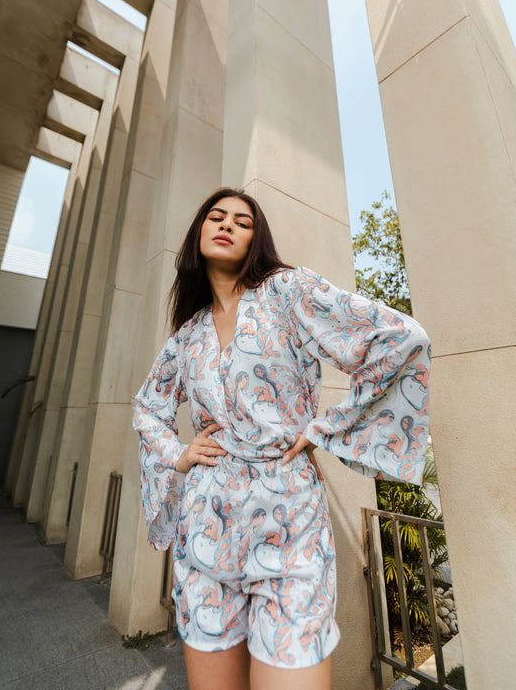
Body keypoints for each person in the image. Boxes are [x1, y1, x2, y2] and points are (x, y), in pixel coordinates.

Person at [133, 187, 431, 690]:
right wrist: (177, 455)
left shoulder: (288, 291)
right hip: (207, 525)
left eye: (243, 221)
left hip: (289, 522)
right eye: (216, 216)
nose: (227, 224)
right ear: (199, 232)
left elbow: (400, 339)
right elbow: (147, 407)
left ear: (257, 239)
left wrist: (323, 429)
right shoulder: (188, 335)